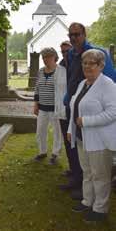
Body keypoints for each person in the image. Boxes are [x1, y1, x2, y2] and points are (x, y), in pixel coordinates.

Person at [59, 22, 116, 195]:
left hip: (91, 110)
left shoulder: (97, 54)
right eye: (71, 35)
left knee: (90, 148)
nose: (74, 38)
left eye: (77, 34)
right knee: (72, 145)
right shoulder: (69, 54)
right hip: (71, 106)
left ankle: (90, 187)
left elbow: (111, 80)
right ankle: (77, 178)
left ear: (84, 35)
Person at [68, 49, 116, 222]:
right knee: (87, 172)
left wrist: (87, 121)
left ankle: (100, 209)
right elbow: (75, 107)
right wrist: (70, 130)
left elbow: (113, 112)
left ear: (101, 65)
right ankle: (88, 200)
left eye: (91, 63)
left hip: (100, 140)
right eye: (84, 63)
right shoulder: (83, 84)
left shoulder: (108, 85)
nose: (87, 66)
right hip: (82, 138)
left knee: (100, 175)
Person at [33, 47, 66, 165]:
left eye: (47, 57)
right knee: (40, 131)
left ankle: (55, 154)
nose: (45, 59)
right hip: (42, 108)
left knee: (57, 132)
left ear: (54, 57)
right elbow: (37, 88)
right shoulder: (41, 71)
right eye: (43, 57)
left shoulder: (61, 71)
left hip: (56, 108)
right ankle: (42, 152)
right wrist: (36, 104)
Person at [59, 41, 73, 177]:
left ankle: (78, 172)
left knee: (74, 141)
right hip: (63, 108)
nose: (65, 54)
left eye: (67, 51)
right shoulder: (61, 66)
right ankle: (72, 168)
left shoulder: (77, 64)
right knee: (67, 140)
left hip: (74, 108)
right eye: (62, 52)